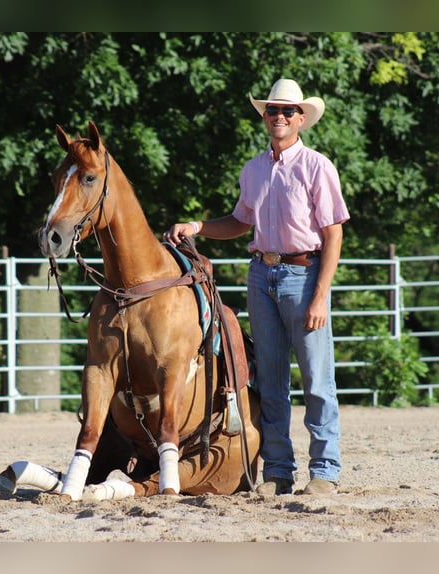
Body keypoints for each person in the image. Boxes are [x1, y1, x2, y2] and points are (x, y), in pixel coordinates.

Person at [164, 78, 349, 495]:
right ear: (264, 117)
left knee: (317, 379)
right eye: (272, 110)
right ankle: (278, 472)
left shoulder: (317, 166)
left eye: (287, 111)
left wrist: (320, 294)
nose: (279, 117)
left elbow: (333, 233)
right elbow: (239, 222)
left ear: (301, 118)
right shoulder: (254, 169)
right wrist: (197, 226)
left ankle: (325, 472)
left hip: (304, 276)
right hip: (261, 275)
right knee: (269, 379)